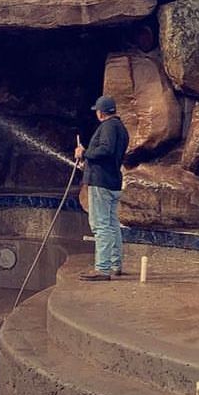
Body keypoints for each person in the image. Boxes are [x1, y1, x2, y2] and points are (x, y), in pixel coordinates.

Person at [74, 95, 130, 281]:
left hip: (101, 183)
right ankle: (115, 264)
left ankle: (102, 268)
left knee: (101, 226)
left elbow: (105, 149)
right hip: (113, 181)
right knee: (112, 225)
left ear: (100, 112)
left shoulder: (107, 127)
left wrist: (85, 152)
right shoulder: (120, 128)